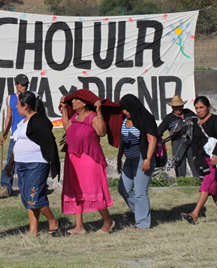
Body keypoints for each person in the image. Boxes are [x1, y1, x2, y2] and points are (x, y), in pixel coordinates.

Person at [59, 89, 115, 234]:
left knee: (93, 190)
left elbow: (102, 132)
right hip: (73, 158)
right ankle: (79, 227)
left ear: (84, 103)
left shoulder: (93, 117)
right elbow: (66, 127)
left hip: (89, 159)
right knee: (76, 191)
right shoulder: (76, 116)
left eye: (75, 100)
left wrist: (99, 110)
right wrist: (64, 109)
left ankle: (108, 222)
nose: (73, 102)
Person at [6, 91, 60, 236]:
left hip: (36, 163)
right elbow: (16, 144)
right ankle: (33, 229)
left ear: (26, 105)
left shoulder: (39, 120)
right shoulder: (21, 123)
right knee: (26, 197)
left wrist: (51, 160)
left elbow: (48, 141)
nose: (16, 108)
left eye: (18, 105)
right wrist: (10, 164)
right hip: (21, 164)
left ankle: (52, 220)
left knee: (33, 196)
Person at [181, 96, 217, 224]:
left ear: (207, 107)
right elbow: (195, 142)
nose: (199, 111)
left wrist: (215, 154)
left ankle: (195, 214)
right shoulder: (196, 123)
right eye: (196, 108)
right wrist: (194, 157)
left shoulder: (215, 120)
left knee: (206, 186)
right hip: (202, 159)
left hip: (214, 159)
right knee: (214, 189)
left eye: (201, 107)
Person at [117, 94, 159, 230]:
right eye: (123, 109)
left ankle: (142, 224)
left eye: (127, 109)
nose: (125, 112)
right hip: (129, 160)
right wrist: (119, 158)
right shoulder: (125, 119)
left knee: (141, 191)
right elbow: (123, 140)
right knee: (123, 189)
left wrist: (147, 159)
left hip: (143, 158)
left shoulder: (145, 118)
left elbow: (153, 139)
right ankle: (142, 213)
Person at [0, 74, 30, 198]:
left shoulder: (31, 96)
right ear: (16, 85)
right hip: (15, 135)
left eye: (26, 84)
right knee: (10, 161)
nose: (24, 86)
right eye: (22, 84)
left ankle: (31, 187)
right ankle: (6, 187)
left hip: (29, 134)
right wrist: (5, 133)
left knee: (29, 161)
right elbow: (9, 117)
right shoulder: (10, 98)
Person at [157, 95, 199, 177]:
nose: (178, 109)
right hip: (177, 142)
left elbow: (198, 123)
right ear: (172, 107)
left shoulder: (189, 113)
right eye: (175, 107)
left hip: (191, 141)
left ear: (183, 106)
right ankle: (181, 180)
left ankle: (198, 180)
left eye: (179, 106)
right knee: (179, 163)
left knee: (194, 161)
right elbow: (159, 131)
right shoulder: (168, 118)